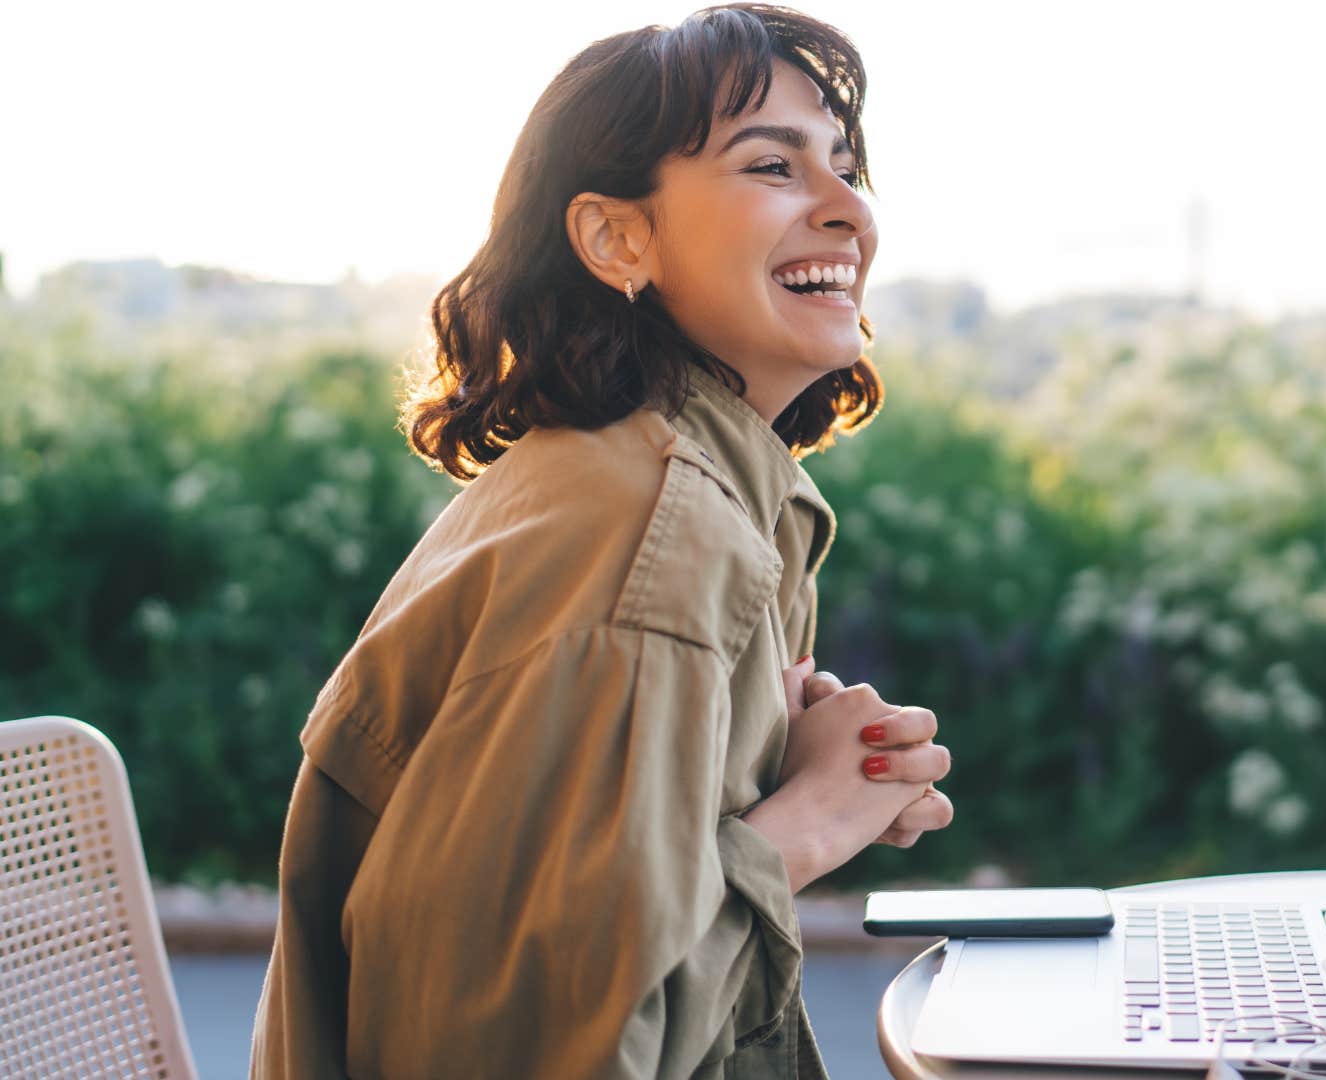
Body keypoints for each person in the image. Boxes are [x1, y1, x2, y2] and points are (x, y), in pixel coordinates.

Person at [248, 6, 953, 1077]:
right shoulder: (648, 543)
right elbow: (529, 1054)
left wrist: (776, 770)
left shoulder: (642, 484)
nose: (848, 210)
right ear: (618, 238)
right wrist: (807, 825)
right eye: (774, 165)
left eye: (846, 169)